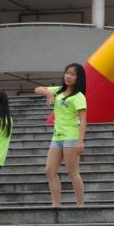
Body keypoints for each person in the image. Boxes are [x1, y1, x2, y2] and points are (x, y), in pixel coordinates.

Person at [34, 63, 87, 207]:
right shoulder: (58, 90)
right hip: (57, 137)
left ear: (78, 78)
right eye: (67, 73)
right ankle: (55, 205)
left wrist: (80, 141)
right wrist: (48, 93)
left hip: (71, 137)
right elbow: (37, 89)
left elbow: (83, 120)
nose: (68, 76)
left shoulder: (79, 96)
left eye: (73, 74)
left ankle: (80, 205)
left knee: (72, 172)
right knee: (50, 170)